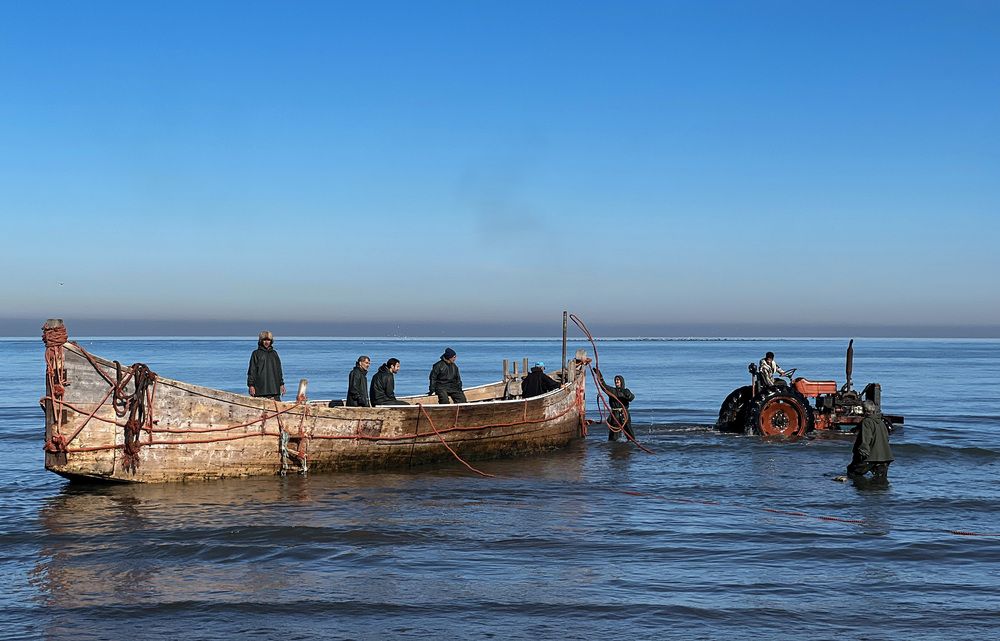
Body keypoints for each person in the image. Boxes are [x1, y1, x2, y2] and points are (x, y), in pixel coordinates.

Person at [847, 400, 894, 480]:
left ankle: (861, 489)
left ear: (864, 410)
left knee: (852, 472)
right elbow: (886, 438)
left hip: (871, 457)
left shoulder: (866, 422)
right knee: (881, 481)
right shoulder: (881, 422)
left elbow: (866, 439)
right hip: (886, 457)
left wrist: (862, 454)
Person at [595, 368, 635, 441]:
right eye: (616, 380)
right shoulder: (612, 391)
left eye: (618, 380)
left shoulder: (626, 391)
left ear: (621, 382)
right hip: (615, 415)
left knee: (630, 435)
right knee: (613, 438)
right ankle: (614, 448)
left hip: (625, 414)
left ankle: (632, 445)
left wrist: (628, 395)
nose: (616, 381)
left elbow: (632, 398)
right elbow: (603, 386)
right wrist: (599, 377)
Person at [247, 330, 285, 400]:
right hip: (260, 390)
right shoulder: (256, 354)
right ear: (261, 341)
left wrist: (281, 384)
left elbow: (279, 370)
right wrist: (251, 385)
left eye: (268, 340)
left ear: (271, 341)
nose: (266, 342)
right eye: (264, 340)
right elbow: (252, 371)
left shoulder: (274, 354)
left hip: (274, 390)